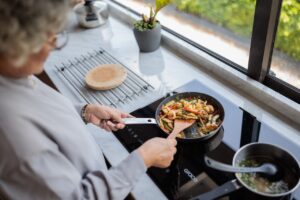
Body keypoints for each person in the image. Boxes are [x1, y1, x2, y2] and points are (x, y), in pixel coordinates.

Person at [0, 0, 177, 199]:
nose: (55, 44)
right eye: (48, 35)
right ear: (14, 42)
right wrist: (143, 158)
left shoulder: (13, 74)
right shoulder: (11, 134)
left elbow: (39, 112)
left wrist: (83, 112)